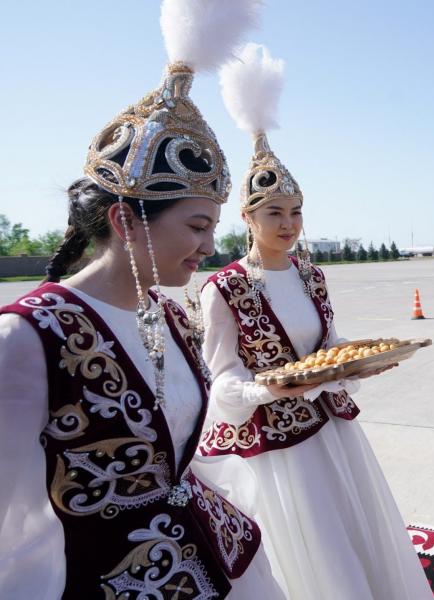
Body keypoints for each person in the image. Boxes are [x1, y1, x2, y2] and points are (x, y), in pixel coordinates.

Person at [0, 2, 285, 597]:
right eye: (197, 225)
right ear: (125, 221)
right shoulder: (26, 339)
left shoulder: (167, 314)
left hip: (212, 556)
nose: (211, 245)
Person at [196, 43, 433, 599]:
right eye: (274, 213)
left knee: (357, 547)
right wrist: (270, 388)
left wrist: (355, 364)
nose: (289, 224)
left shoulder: (311, 276)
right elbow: (221, 384)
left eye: (296, 211)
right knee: (315, 561)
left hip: (330, 432)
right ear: (248, 218)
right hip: (278, 452)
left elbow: (328, 345)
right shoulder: (224, 288)